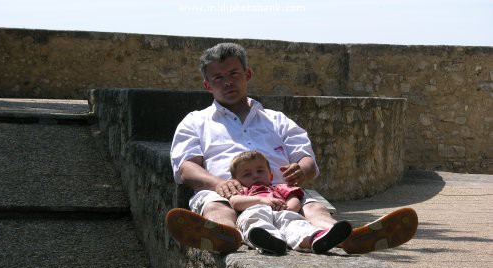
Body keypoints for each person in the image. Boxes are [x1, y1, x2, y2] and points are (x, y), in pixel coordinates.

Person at [166, 42, 418, 255]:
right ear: (208, 85)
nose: (227, 83)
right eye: (218, 78)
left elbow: (306, 159)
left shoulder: (277, 120)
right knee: (215, 207)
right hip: (227, 193)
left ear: (248, 75)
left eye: (233, 74)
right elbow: (186, 168)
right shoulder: (195, 121)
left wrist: (302, 170)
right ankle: (225, 235)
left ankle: (344, 237)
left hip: (284, 193)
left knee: (315, 207)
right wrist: (216, 184)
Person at [228, 150, 352, 255]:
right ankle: (270, 240)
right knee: (254, 221)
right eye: (247, 174)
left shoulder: (279, 187)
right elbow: (235, 202)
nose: (255, 176)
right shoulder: (242, 190)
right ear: (236, 181)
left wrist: (289, 209)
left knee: (295, 224)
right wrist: (261, 200)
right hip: (255, 211)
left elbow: (294, 200)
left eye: (260, 171)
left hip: (282, 212)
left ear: (271, 176)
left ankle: (315, 238)